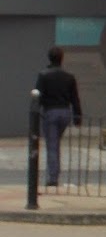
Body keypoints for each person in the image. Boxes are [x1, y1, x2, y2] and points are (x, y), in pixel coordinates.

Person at [33, 46, 82, 188]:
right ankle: (54, 173)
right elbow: (75, 98)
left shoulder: (43, 75)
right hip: (65, 112)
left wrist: (36, 114)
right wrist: (77, 116)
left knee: (52, 144)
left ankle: (53, 177)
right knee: (55, 142)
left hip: (50, 112)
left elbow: (38, 97)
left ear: (49, 58)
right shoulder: (69, 77)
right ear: (62, 58)